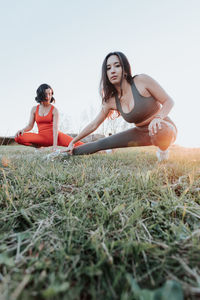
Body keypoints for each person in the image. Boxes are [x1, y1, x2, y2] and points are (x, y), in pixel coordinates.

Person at [66, 51, 177, 161]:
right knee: (102, 143)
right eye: (108, 68)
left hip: (163, 126)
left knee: (161, 130)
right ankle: (67, 153)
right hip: (140, 133)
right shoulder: (110, 101)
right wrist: (73, 142)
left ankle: (163, 153)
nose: (112, 71)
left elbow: (169, 101)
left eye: (117, 66)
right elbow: (94, 124)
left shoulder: (141, 81)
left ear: (124, 69)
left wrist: (158, 118)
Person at [15, 84, 84, 151]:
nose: (48, 97)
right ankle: (38, 146)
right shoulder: (34, 109)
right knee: (18, 137)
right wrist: (23, 130)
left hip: (57, 137)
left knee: (80, 145)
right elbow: (30, 125)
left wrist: (55, 146)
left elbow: (55, 128)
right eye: (46, 94)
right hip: (41, 138)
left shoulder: (54, 110)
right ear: (41, 95)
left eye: (50, 94)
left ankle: (94, 149)